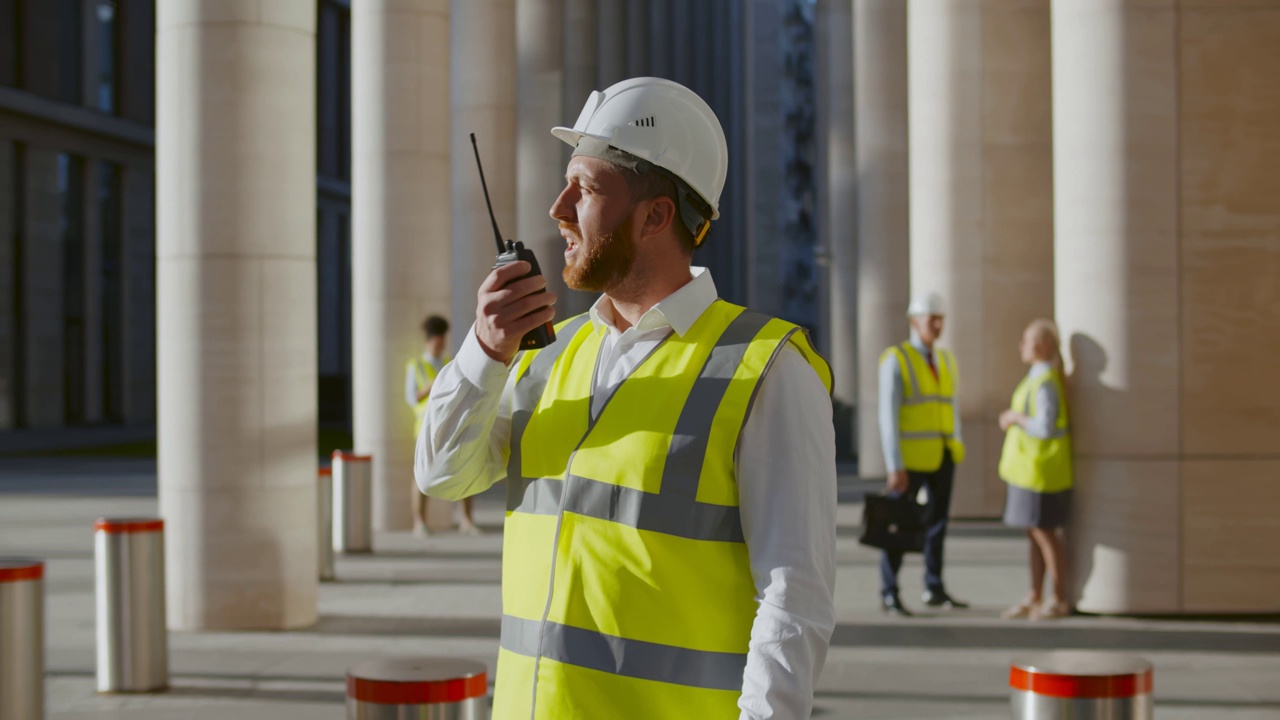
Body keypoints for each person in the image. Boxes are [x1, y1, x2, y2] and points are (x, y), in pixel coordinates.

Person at [415, 77, 837, 719]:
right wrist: (484, 349)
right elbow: (441, 473)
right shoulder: (547, 355)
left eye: (583, 189)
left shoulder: (768, 370)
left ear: (655, 216)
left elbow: (795, 600)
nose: (557, 208)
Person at [877, 292, 968, 616]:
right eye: (932, 319)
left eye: (941, 318)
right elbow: (887, 416)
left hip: (942, 455)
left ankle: (934, 587)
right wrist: (894, 465)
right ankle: (889, 592)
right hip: (909, 461)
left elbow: (950, 405)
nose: (938, 325)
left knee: (937, 526)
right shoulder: (896, 359)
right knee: (899, 525)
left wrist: (955, 445)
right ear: (914, 321)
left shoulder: (945, 360)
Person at [998, 319, 1073, 620]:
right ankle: (1035, 595)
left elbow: (1044, 427)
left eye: (1026, 340)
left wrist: (1015, 418)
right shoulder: (1036, 378)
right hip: (1029, 473)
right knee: (1035, 534)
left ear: (1041, 346)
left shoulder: (1045, 382)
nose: (1021, 345)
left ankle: (1057, 598)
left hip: (1041, 473)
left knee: (1045, 535)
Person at [405, 315, 480, 536]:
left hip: (451, 425)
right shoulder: (416, 365)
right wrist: (432, 386)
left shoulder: (449, 363)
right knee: (420, 476)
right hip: (424, 429)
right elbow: (411, 398)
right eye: (439, 340)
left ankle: (466, 521)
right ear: (430, 340)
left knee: (463, 467)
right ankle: (419, 523)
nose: (442, 344)